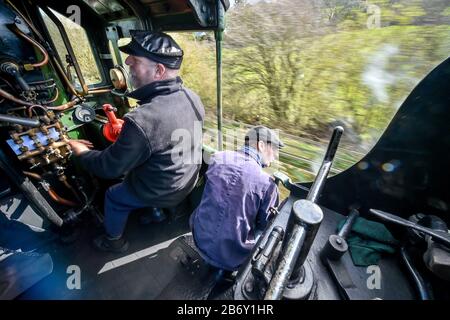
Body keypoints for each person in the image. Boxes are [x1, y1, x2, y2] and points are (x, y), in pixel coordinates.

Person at [69, 31, 205, 253]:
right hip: (187, 180)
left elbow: (108, 167)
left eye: (136, 60)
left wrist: (82, 152)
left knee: (113, 196)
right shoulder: (193, 97)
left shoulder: (142, 119)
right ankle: (155, 212)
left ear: (159, 71)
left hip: (162, 190)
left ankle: (114, 242)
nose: (127, 62)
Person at [190, 126, 284, 271]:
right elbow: (264, 225)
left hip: (199, 238)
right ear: (261, 145)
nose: (276, 155)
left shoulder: (217, 158)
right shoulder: (268, 185)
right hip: (232, 259)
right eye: (275, 149)